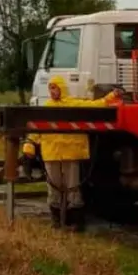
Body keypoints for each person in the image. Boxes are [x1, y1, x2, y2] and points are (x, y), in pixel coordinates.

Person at [23, 75, 119, 231]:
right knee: (53, 187)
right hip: (51, 153)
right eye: (50, 88)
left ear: (62, 88)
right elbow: (36, 129)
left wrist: (111, 96)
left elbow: (95, 105)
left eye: (54, 87)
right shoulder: (46, 108)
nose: (52, 91)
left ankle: (77, 222)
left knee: (73, 187)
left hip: (71, 153)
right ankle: (56, 221)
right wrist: (30, 144)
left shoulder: (74, 105)